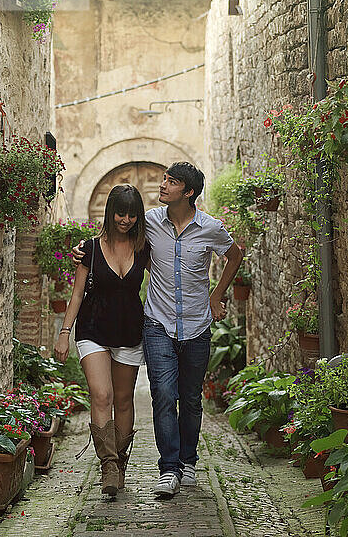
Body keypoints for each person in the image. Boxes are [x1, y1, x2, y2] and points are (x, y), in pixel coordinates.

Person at [73, 162, 243, 498]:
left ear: (189, 191)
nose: (162, 185)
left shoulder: (211, 228)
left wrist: (217, 294)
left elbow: (236, 256)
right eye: (163, 178)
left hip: (196, 324)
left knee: (191, 399)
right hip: (157, 323)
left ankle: (188, 461)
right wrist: (82, 248)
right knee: (163, 395)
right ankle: (168, 469)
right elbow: (112, 236)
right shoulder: (147, 222)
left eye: (171, 181)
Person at [54, 184, 150, 497]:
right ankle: (107, 463)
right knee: (101, 394)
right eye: (121, 213)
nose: (126, 220)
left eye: (132, 215)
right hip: (92, 330)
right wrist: (65, 333)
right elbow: (78, 293)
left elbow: (166, 278)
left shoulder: (143, 247)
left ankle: (120, 461)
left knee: (123, 400)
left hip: (129, 331)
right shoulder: (90, 249)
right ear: (110, 213)